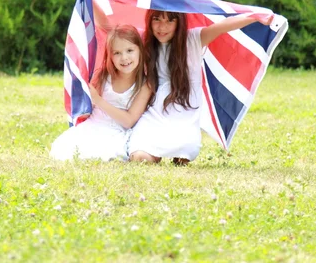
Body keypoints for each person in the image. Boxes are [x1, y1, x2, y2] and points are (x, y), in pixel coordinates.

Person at [128, 10, 273, 164]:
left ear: (179, 22)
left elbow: (223, 26)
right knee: (140, 158)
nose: (162, 27)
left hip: (184, 108)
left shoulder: (192, 39)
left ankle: (181, 148)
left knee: (184, 153)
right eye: (156, 19)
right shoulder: (145, 40)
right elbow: (111, 28)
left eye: (170, 20)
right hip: (156, 110)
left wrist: (255, 16)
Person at [50, 24, 152, 161]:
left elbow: (129, 121)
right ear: (110, 56)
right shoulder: (104, 76)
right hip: (94, 124)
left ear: (140, 50)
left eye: (129, 50)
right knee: (64, 149)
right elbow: (88, 105)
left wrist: (98, 100)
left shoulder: (144, 85)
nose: (124, 58)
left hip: (117, 131)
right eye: (117, 53)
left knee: (102, 153)